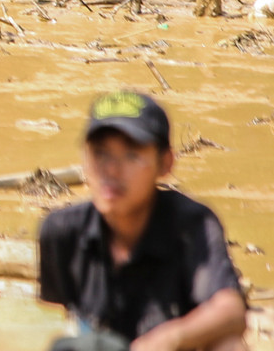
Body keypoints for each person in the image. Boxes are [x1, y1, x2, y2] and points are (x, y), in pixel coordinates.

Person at [38, 92, 247, 351]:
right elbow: (52, 320)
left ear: (165, 163)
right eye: (101, 154)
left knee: (229, 345)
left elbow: (231, 311)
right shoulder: (62, 231)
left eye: (131, 155)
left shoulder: (191, 226)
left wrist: (168, 340)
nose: (112, 170)